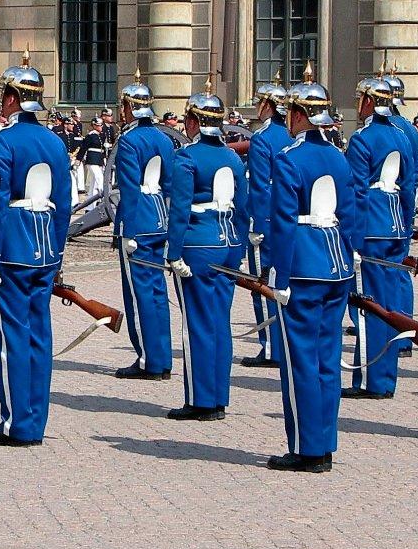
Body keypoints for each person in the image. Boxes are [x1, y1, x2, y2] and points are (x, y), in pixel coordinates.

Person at [261, 75, 355, 471]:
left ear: (299, 115)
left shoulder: (288, 158)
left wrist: (278, 274)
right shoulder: (338, 156)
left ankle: (307, 447)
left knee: (300, 360)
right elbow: (349, 215)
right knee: (328, 359)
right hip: (337, 264)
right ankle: (325, 441)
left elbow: (282, 221)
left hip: (302, 265)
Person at [0, 55, 71, 447]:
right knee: (40, 336)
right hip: (46, 248)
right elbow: (65, 204)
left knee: (13, 337)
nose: (2, 102)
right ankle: (35, 418)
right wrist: (59, 251)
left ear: (15, 99)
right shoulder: (54, 142)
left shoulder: (4, 141)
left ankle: (16, 422)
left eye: (5, 95)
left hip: (14, 249)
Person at [166, 90, 244, 421]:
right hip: (227, 244)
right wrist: (238, 250)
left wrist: (173, 252)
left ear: (195, 121)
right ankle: (219, 396)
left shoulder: (188, 157)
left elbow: (180, 209)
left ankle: (201, 400)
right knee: (219, 323)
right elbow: (243, 207)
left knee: (197, 324)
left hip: (197, 245)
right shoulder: (232, 158)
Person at [344, 73, 418, 399]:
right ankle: (387, 377)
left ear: (370, 103)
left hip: (371, 226)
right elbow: (409, 186)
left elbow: (357, 193)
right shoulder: (402, 136)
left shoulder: (362, 138)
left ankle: (369, 378)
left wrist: (353, 238)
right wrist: (406, 226)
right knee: (389, 302)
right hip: (394, 223)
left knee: (369, 306)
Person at [110, 77, 177, 381]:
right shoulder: (164, 139)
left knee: (139, 295)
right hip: (160, 217)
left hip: (138, 221)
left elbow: (129, 188)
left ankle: (148, 358)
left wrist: (129, 231)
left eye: (124, 106)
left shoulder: (129, 140)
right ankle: (162, 357)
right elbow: (170, 185)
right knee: (157, 292)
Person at [240, 83, 292, 368]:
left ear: (267, 106)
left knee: (262, 283)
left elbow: (259, 185)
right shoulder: (292, 135)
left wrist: (257, 224)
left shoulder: (262, 138)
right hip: (289, 217)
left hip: (268, 218)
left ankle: (271, 346)